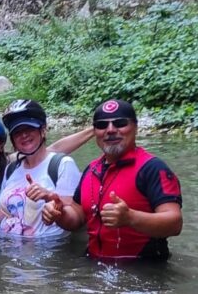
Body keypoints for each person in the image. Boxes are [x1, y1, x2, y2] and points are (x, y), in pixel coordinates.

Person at [47, 99, 183, 260]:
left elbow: (175, 223)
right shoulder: (91, 170)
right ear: (95, 131)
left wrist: (131, 218)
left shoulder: (152, 168)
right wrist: (59, 213)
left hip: (144, 269)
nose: (110, 130)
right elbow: (77, 216)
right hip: (93, 265)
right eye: (102, 125)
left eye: (120, 123)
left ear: (135, 127)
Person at [0, 99, 81, 238]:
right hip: (7, 247)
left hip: (44, 249)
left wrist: (50, 199)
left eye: (29, 128)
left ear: (43, 130)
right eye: (17, 132)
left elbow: (77, 220)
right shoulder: (11, 168)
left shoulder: (62, 164)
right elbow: (7, 214)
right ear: (12, 139)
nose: (24, 135)